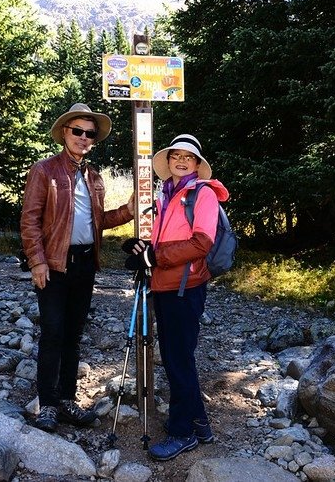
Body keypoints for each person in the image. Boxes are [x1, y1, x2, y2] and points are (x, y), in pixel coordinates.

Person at [21, 103, 135, 433]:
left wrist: (127, 211)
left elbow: (98, 222)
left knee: (73, 335)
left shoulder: (94, 177)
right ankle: (47, 405)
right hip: (54, 266)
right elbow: (29, 221)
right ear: (65, 133)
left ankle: (68, 400)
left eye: (90, 134)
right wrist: (37, 261)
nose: (84, 138)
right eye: (78, 131)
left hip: (85, 265)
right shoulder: (44, 171)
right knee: (53, 333)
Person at [123, 133, 229, 461]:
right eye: (175, 155)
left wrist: (156, 257)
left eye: (188, 157)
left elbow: (202, 243)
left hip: (186, 288)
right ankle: (199, 424)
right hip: (164, 287)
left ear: (197, 164)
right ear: (168, 162)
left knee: (178, 360)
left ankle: (182, 433)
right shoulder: (166, 195)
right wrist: (139, 248)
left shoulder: (203, 194)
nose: (181, 161)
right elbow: (158, 239)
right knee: (176, 357)